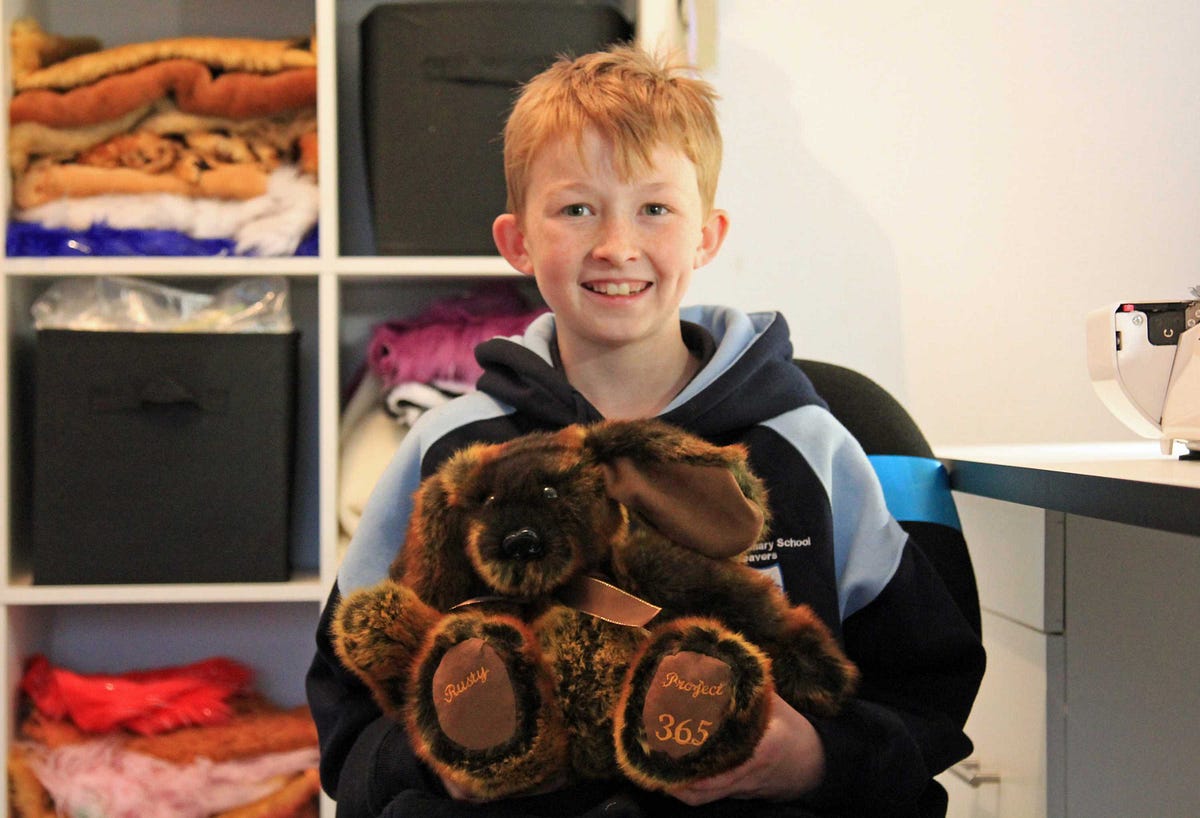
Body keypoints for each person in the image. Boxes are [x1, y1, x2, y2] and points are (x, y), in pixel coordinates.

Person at [307, 44, 985, 818]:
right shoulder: (451, 452)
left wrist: (815, 760)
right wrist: (430, 764)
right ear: (517, 241)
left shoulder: (811, 445)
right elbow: (349, 702)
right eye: (576, 209)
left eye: (654, 209)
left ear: (707, 235)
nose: (616, 246)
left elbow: (928, 688)